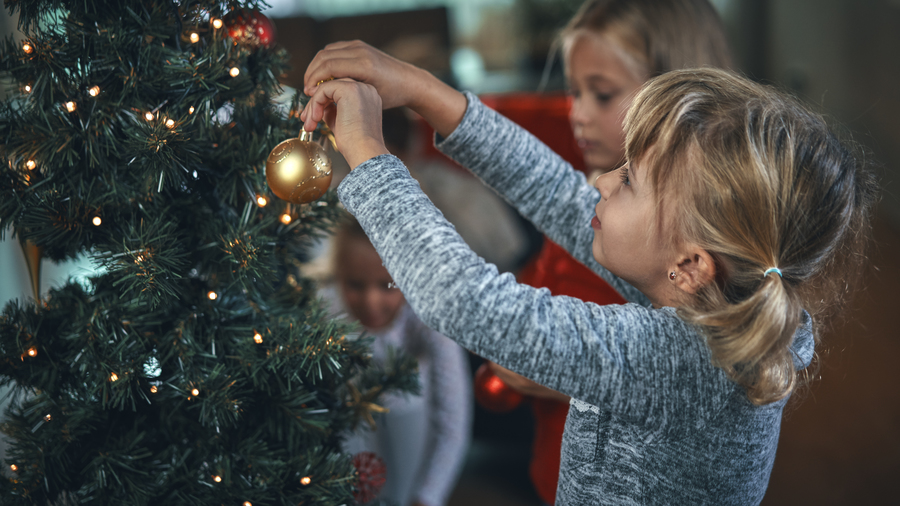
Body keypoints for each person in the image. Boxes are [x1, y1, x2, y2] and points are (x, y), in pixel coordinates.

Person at [298, 42, 876, 505]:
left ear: (690, 265)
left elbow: (462, 298)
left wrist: (368, 153)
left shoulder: (679, 360)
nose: (600, 181)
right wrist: (423, 91)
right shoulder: (723, 299)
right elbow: (556, 191)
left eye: (628, 180)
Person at [497, 1, 734, 503]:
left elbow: (679, 381)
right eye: (572, 90)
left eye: (600, 94)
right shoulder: (603, 192)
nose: (575, 113)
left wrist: (565, 373)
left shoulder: (656, 245)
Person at [325, 216, 472, 506]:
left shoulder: (432, 321)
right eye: (355, 284)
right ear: (339, 274)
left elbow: (453, 423)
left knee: (405, 387)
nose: (371, 302)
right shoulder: (327, 314)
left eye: (387, 285)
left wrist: (427, 497)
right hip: (347, 455)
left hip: (411, 461)